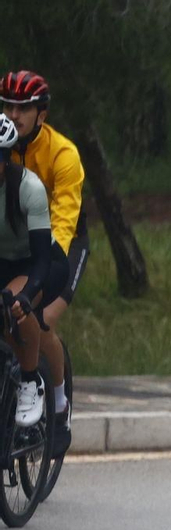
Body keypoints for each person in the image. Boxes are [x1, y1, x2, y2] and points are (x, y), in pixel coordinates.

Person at [1, 71, 82, 451]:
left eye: (24, 108)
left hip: (60, 245)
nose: (14, 115)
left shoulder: (62, 154)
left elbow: (64, 219)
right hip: (15, 245)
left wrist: (43, 271)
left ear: (42, 115)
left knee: (37, 320)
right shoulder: (4, 145)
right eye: (8, 106)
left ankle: (60, 403)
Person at [0, 114, 67, 430]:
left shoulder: (29, 188)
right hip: (5, 261)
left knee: (13, 307)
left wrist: (27, 296)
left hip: (42, 263)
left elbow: (41, 260)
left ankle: (32, 382)